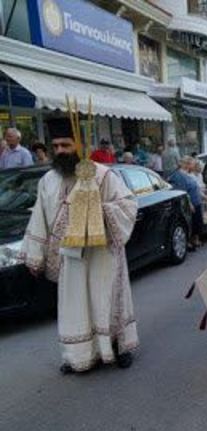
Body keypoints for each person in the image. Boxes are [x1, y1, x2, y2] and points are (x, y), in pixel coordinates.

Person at [21, 116, 138, 373]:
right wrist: (35, 256)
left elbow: (128, 205)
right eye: (56, 146)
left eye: (66, 145)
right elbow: (39, 218)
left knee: (105, 301)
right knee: (76, 307)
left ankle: (119, 348)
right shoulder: (48, 181)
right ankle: (78, 355)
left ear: (79, 144)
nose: (60, 151)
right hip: (69, 258)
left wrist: (98, 210)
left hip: (102, 255)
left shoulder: (103, 175)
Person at [168, 156, 203, 249]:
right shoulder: (179, 176)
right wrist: (190, 204)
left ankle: (194, 240)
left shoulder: (188, 174)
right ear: (187, 165)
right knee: (190, 223)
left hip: (196, 201)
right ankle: (188, 242)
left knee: (197, 223)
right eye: (192, 164)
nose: (194, 166)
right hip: (189, 204)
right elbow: (183, 191)